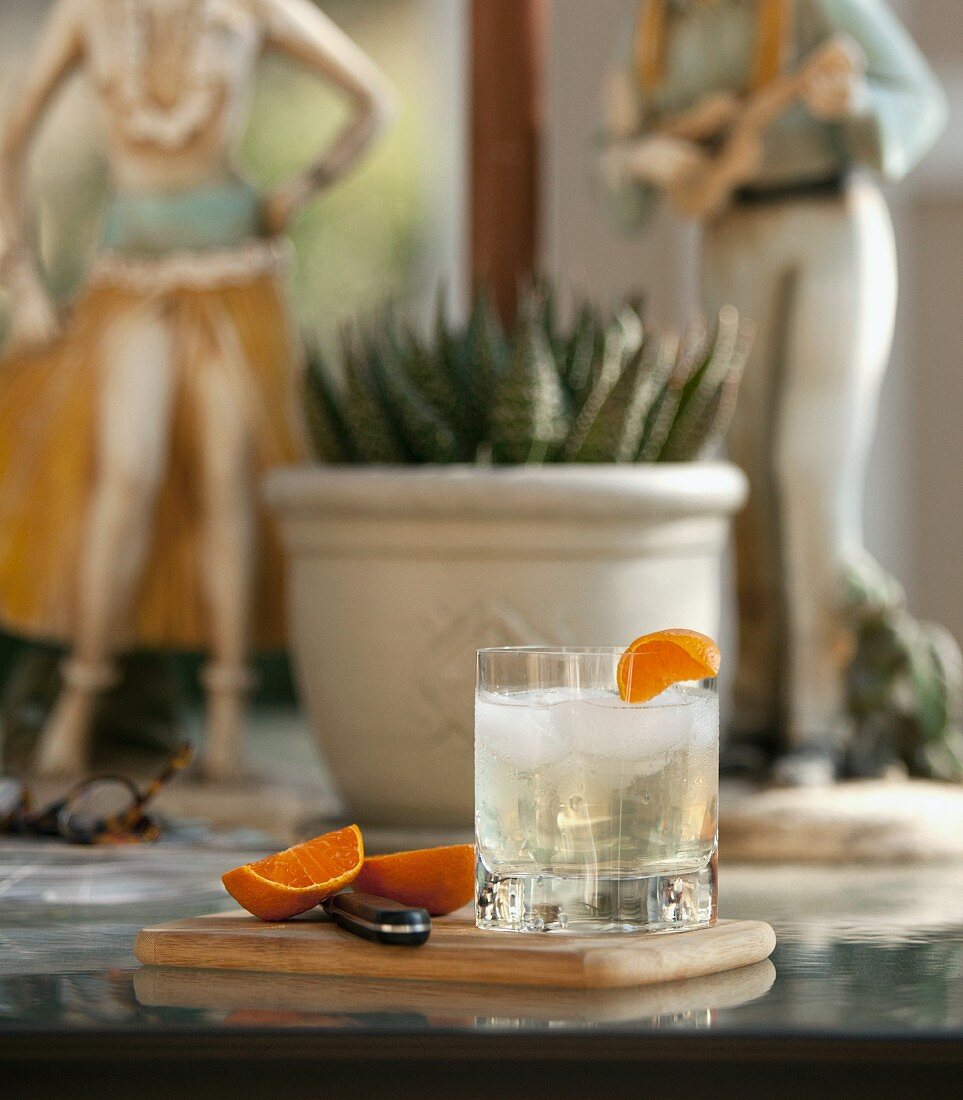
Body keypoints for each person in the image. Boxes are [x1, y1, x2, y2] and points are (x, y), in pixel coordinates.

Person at [0, 0, 395, 778]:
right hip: (129, 273)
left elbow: (373, 99)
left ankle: (226, 725)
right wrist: (24, 282)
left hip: (234, 270)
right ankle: (76, 710)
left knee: (227, 484)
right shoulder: (89, 12)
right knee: (126, 475)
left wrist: (302, 186)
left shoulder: (253, 6)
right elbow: (10, 145)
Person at [600, 0, 946, 782]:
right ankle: (755, 704)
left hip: (829, 225)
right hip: (731, 233)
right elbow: (614, 158)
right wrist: (641, 160)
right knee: (746, 462)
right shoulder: (660, 24)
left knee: (808, 465)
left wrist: (854, 105)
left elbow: (916, 102)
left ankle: (817, 715)